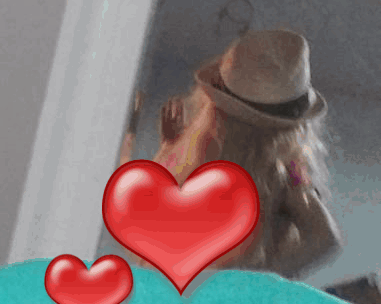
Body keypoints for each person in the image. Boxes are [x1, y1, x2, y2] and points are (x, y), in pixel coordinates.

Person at [119, 28, 342, 281]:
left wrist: (254, 278)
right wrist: (169, 148)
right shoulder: (207, 150)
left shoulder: (280, 172)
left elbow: (325, 241)